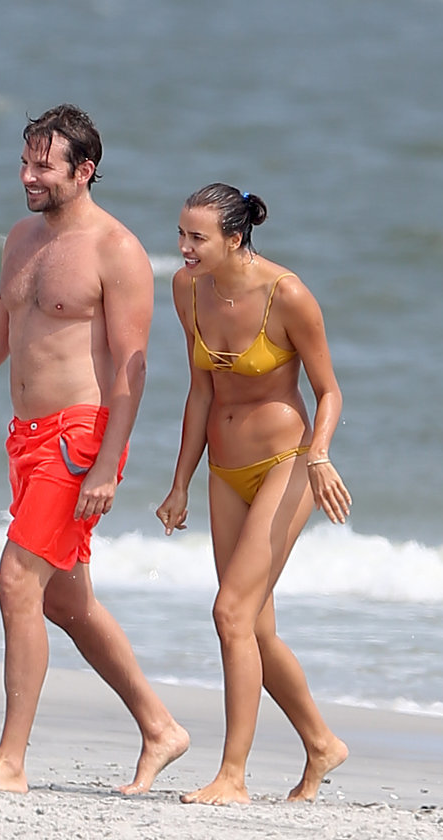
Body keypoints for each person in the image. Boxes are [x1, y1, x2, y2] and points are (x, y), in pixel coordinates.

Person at [0, 104, 189, 794]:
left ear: (83, 171)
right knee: (66, 602)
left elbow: (132, 368)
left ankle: (11, 761)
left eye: (44, 166)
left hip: (79, 438)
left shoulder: (117, 250)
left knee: (16, 581)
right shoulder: (23, 239)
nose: (28, 176)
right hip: (26, 437)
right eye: (25, 162)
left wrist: (108, 464)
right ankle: (160, 728)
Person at [156, 183, 351, 806]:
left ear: (235, 238)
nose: (184, 247)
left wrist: (320, 455)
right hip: (224, 470)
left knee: (230, 615)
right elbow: (200, 390)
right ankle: (321, 743)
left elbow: (329, 390)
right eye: (181, 234)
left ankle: (232, 776)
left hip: (287, 464)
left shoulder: (286, 294)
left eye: (197, 238)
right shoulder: (187, 289)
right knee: (255, 630)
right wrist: (181, 482)